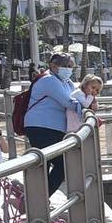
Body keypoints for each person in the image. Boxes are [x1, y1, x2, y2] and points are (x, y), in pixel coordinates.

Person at [23, 53, 82, 195]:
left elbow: (76, 98)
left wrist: (84, 104)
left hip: (56, 129)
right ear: (53, 65)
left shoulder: (67, 82)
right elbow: (68, 102)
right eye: (65, 66)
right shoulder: (48, 80)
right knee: (57, 165)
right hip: (40, 127)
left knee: (51, 165)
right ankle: (37, 199)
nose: (68, 69)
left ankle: (37, 198)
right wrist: (85, 107)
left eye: (70, 67)